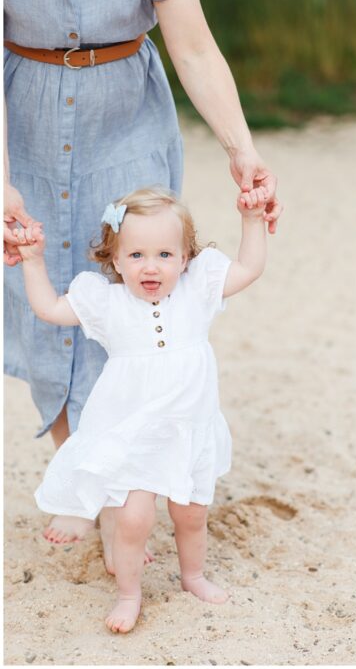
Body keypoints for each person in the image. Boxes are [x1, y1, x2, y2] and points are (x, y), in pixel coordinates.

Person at [3, 0, 281, 547]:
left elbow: (192, 45)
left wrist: (241, 150)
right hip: (25, 120)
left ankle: (118, 486)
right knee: (38, 300)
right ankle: (87, 479)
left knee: (129, 291)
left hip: (126, 118)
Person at [15, 185, 267, 633]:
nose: (150, 266)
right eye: (136, 256)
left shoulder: (197, 291)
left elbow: (249, 267)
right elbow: (50, 309)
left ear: (186, 258)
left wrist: (252, 221)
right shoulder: (108, 303)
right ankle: (129, 593)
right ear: (115, 260)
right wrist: (33, 262)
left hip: (188, 426)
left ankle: (193, 576)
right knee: (133, 518)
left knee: (191, 513)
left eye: (165, 255)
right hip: (134, 430)